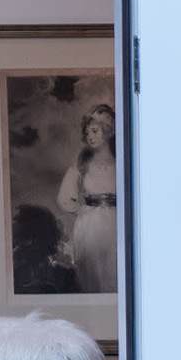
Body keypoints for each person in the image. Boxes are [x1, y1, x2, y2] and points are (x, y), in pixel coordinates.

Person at [54, 100, 119, 293]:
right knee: (93, 277)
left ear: (108, 131)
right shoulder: (82, 163)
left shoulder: (122, 161)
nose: (90, 136)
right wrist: (83, 211)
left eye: (95, 131)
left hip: (117, 225)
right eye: (87, 132)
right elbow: (64, 197)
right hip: (89, 228)